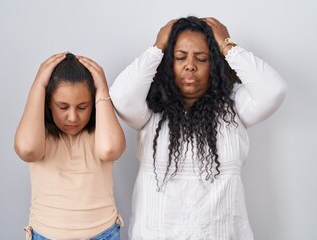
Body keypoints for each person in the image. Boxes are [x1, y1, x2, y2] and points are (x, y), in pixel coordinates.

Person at [109, 16, 287, 239]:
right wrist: (158, 47)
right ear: (167, 63)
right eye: (180, 57)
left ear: (214, 64)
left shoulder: (234, 106)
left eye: (201, 58)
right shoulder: (151, 108)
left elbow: (274, 91)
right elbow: (121, 95)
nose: (190, 65)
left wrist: (226, 44)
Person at [14, 52, 126, 240]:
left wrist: (102, 89)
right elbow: (27, 150)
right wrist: (38, 85)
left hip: (103, 234)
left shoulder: (101, 132)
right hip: (46, 234)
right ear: (49, 103)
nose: (73, 117)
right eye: (63, 107)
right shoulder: (40, 135)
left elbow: (110, 150)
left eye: (82, 107)